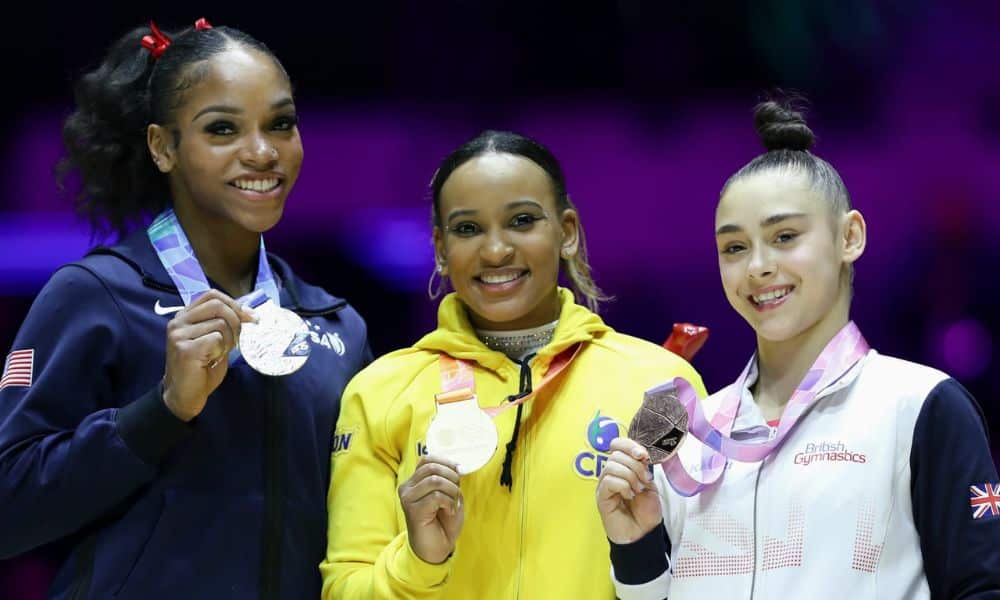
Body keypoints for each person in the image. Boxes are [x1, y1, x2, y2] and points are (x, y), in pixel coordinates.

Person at [0, 18, 371, 599]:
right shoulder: (96, 296)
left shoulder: (336, 327)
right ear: (164, 147)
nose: (261, 152)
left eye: (281, 124)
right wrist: (164, 409)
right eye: (223, 129)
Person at [597, 100, 1000, 599]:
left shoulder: (920, 406)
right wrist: (634, 547)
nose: (758, 266)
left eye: (784, 236)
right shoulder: (692, 433)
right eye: (735, 248)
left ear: (849, 236)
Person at [320, 130, 706, 598]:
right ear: (441, 249)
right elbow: (344, 587)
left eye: (522, 221)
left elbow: (704, 575)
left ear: (566, 232)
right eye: (467, 229)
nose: (496, 250)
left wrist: (640, 548)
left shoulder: (659, 385)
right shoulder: (381, 391)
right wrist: (419, 561)